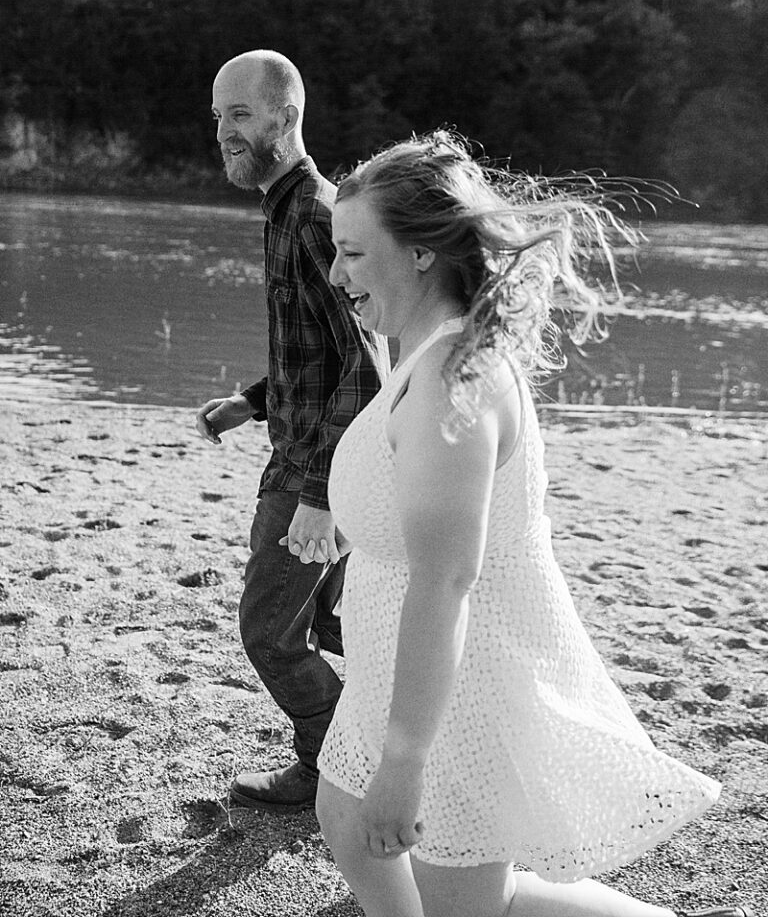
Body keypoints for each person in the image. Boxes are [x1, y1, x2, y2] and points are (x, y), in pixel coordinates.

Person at [314, 130, 749, 917]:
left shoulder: (453, 379)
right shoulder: (416, 347)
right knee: (347, 819)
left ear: (419, 253)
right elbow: (403, 491)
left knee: (469, 899)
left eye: (352, 252)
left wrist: (407, 758)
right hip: (391, 663)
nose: (336, 272)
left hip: (459, 680)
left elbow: (447, 578)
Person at [196, 50, 389, 812]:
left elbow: (366, 367)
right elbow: (316, 355)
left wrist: (321, 495)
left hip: (318, 471)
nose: (224, 132)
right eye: (218, 118)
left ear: (286, 116)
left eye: (240, 115)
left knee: (272, 631)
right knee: (333, 625)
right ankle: (381, 749)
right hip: (308, 454)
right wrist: (251, 400)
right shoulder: (286, 208)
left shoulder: (316, 216)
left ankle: (336, 770)